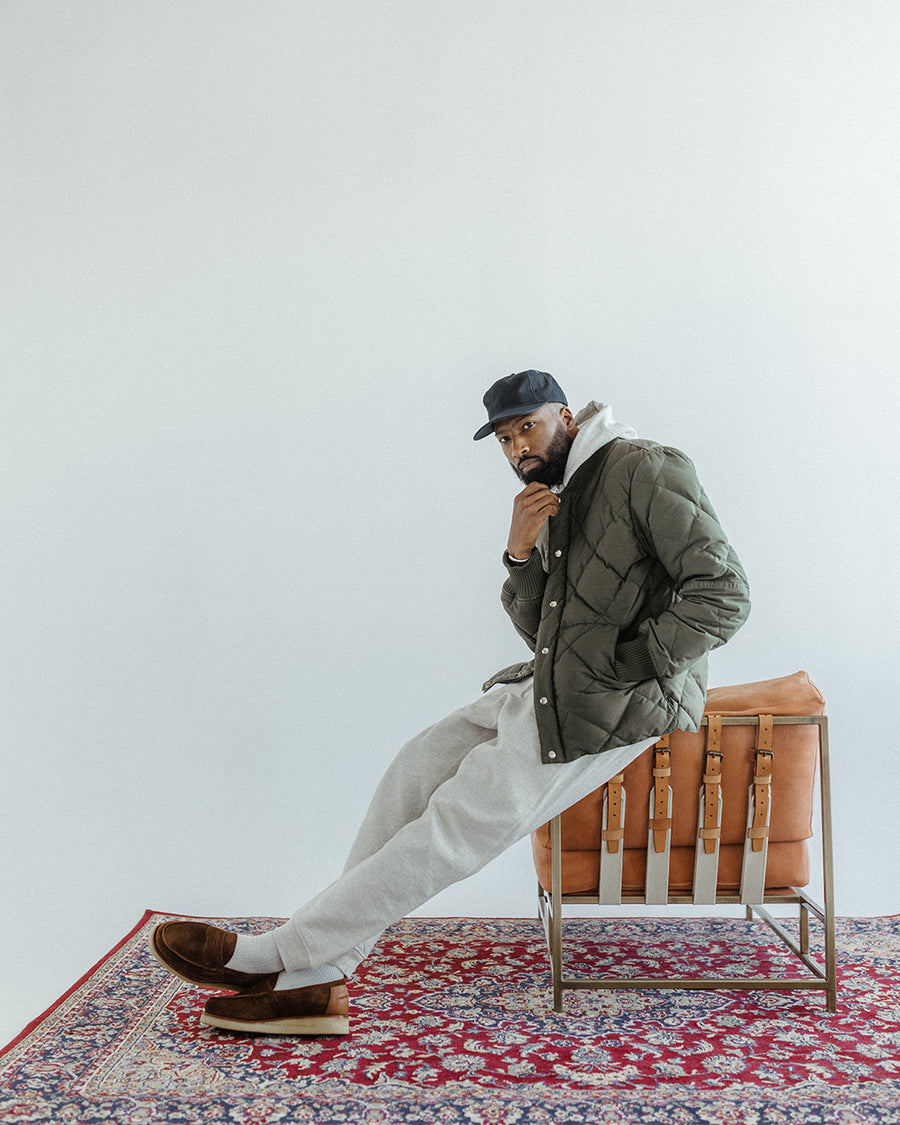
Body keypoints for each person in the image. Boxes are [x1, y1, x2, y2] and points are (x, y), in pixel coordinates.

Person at [150, 369, 751, 1035]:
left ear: (567, 417)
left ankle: (278, 954)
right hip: (550, 688)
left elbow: (724, 593)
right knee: (415, 765)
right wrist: (519, 555)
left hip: (612, 709)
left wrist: (624, 665)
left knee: (451, 825)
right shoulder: (555, 494)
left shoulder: (643, 467)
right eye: (503, 437)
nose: (517, 446)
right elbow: (544, 633)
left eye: (528, 425)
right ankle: (319, 979)